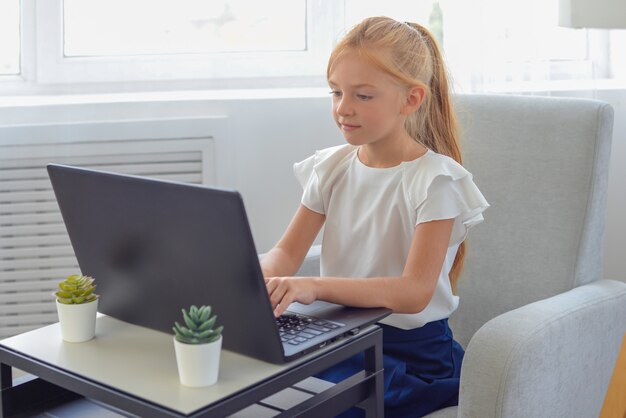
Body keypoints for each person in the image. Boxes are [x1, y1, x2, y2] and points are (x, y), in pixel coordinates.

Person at [261, 16, 489, 418]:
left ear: (411, 99)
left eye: (363, 96)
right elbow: (285, 254)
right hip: (343, 338)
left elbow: (413, 292)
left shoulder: (436, 181)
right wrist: (245, 276)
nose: (343, 108)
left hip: (414, 356)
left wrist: (315, 286)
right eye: (335, 92)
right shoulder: (330, 168)